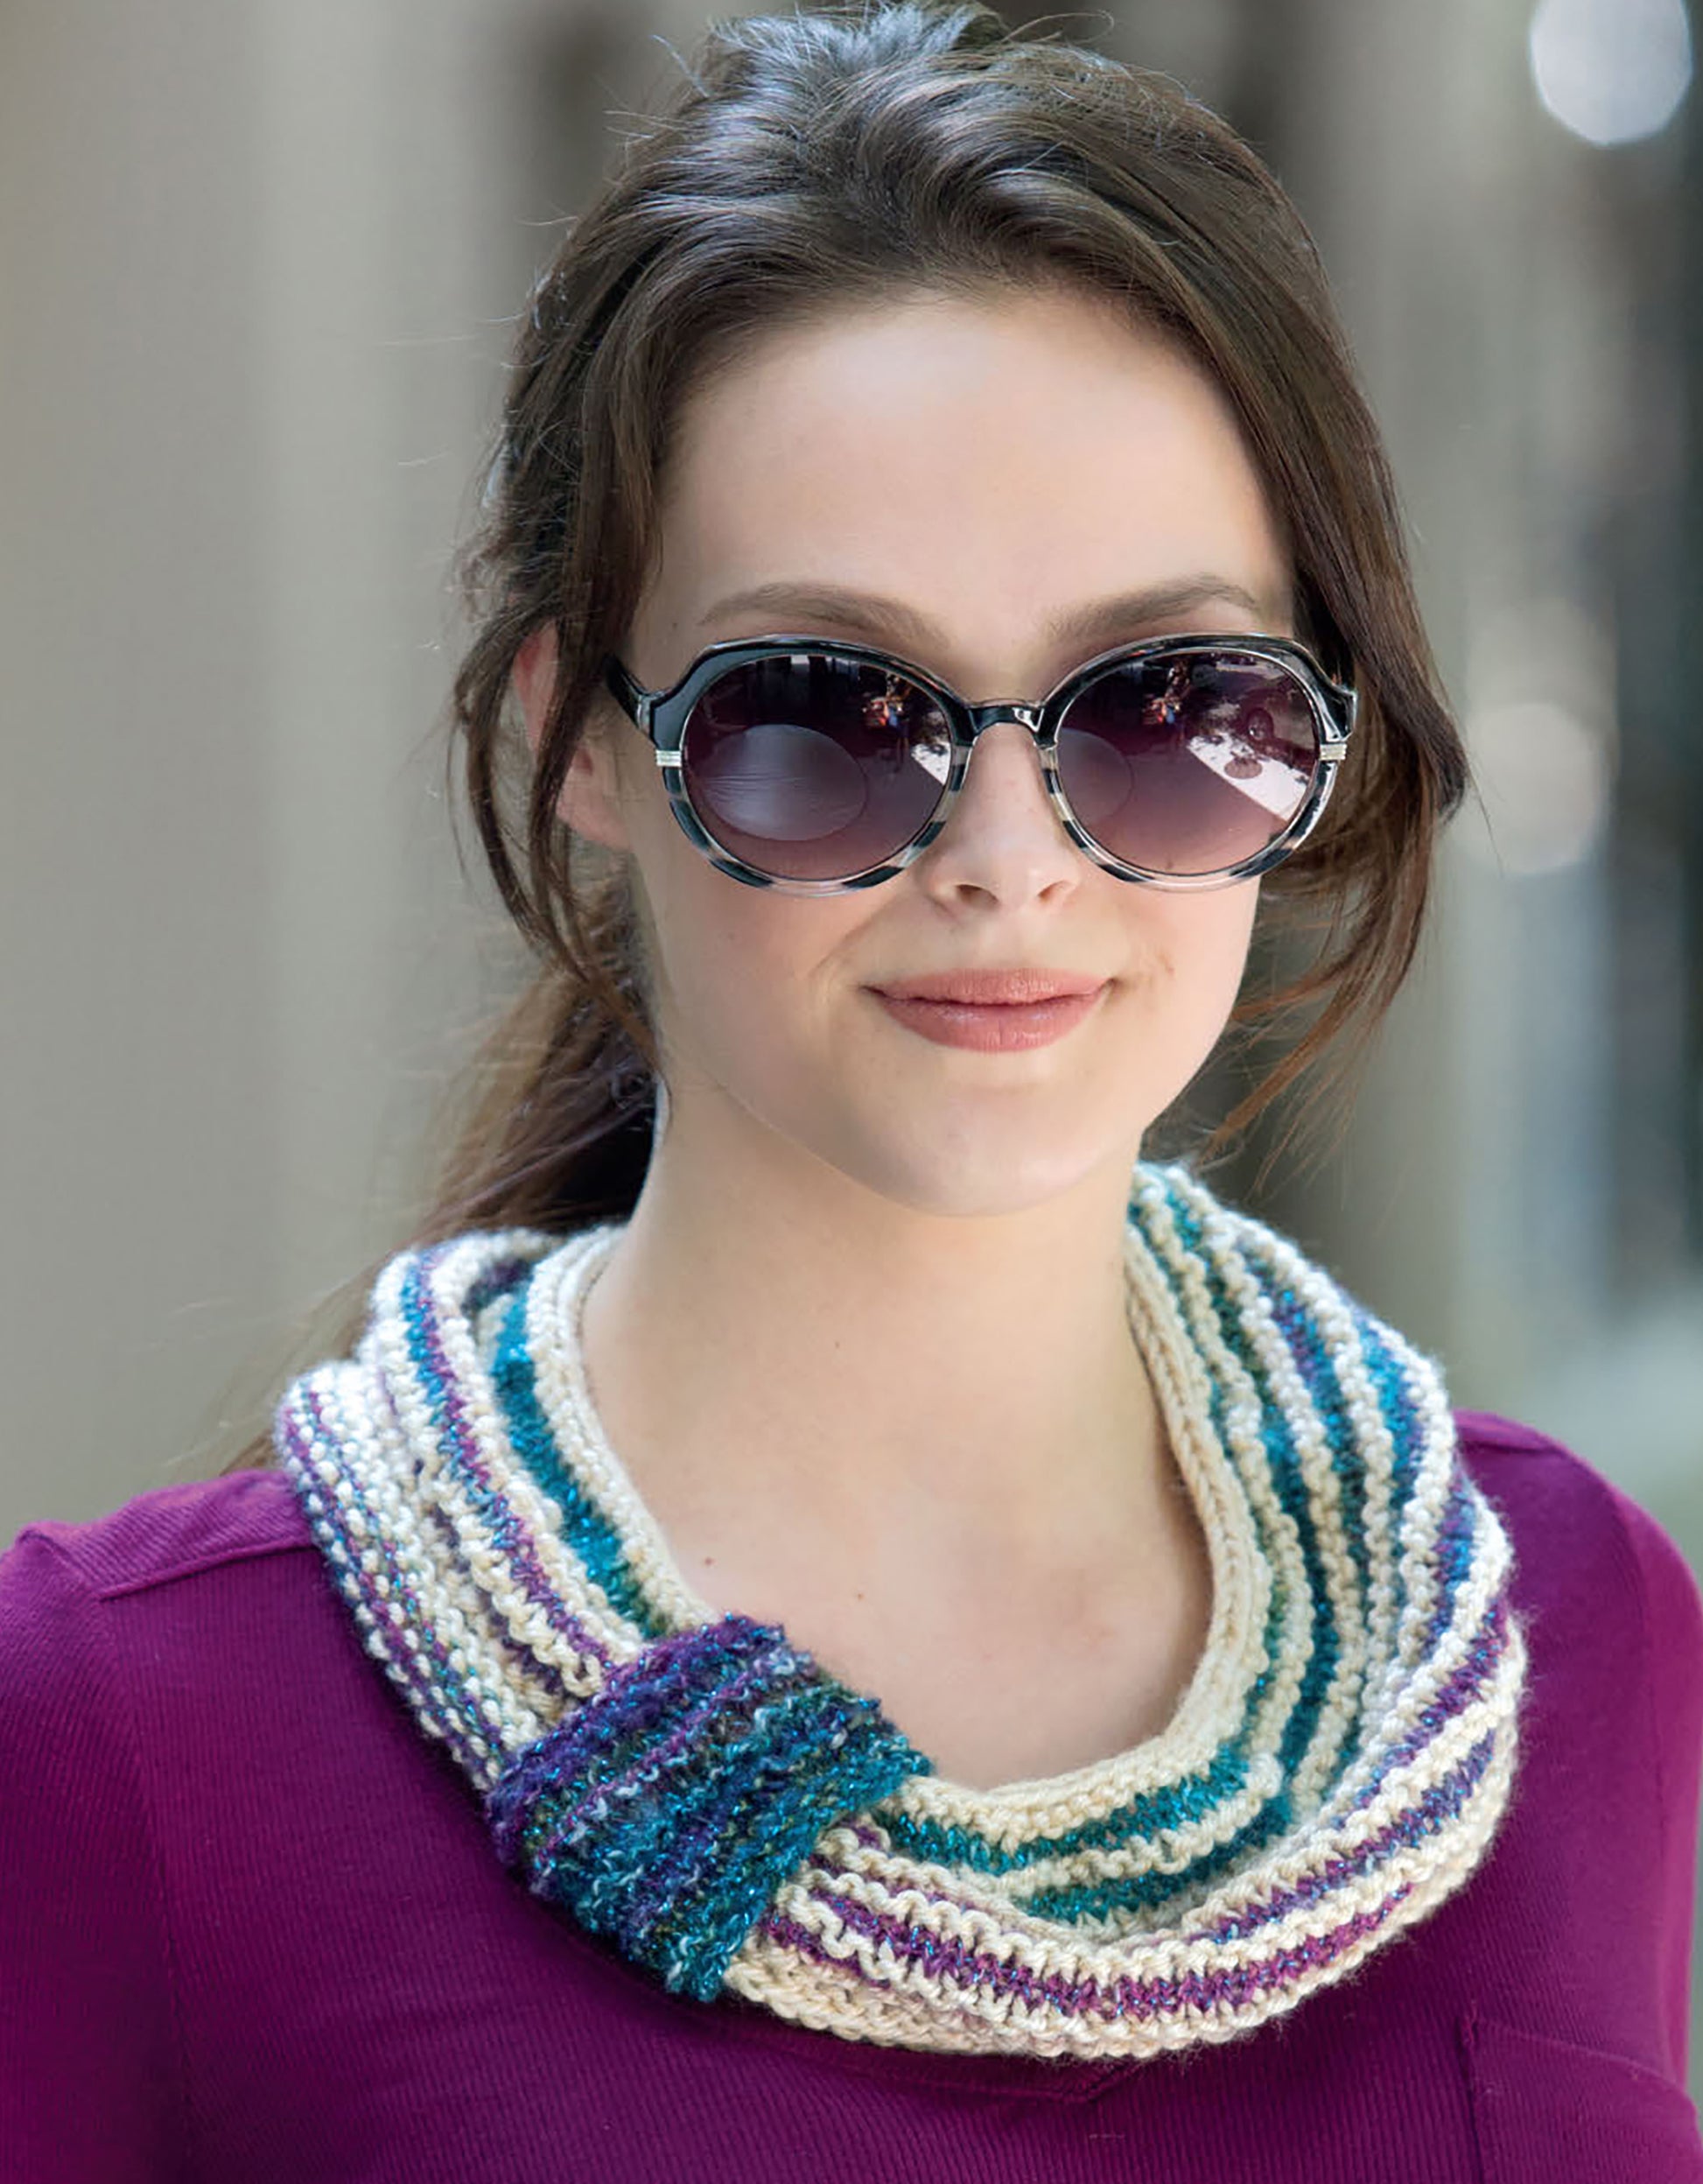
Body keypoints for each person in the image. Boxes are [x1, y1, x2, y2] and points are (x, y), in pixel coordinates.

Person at [4, 4, 1701, 2177]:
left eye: (1165, 707)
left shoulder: (1560, 1616)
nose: (1007, 860)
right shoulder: (125, 1738)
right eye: (822, 715)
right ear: (577, 741)